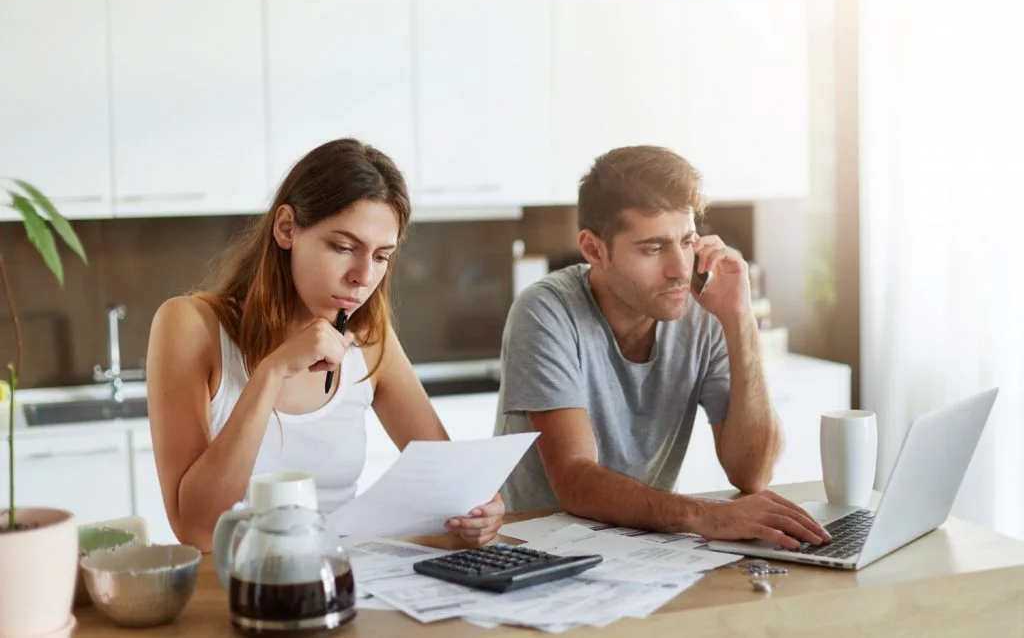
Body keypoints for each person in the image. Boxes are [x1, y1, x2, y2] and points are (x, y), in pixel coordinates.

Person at [146, 138, 504, 551]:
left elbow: (449, 491)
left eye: (382, 256)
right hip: (237, 591)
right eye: (344, 247)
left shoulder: (370, 339)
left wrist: (475, 514)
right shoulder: (191, 326)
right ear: (286, 228)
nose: (363, 276)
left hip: (348, 584)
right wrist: (272, 372)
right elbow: (197, 528)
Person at [495, 145, 831, 550]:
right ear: (593, 249)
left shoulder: (704, 310)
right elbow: (574, 480)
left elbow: (752, 473)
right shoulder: (546, 311)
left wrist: (739, 320)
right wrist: (706, 516)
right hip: (539, 549)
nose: (679, 270)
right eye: (653, 249)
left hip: (645, 545)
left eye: (687, 242)